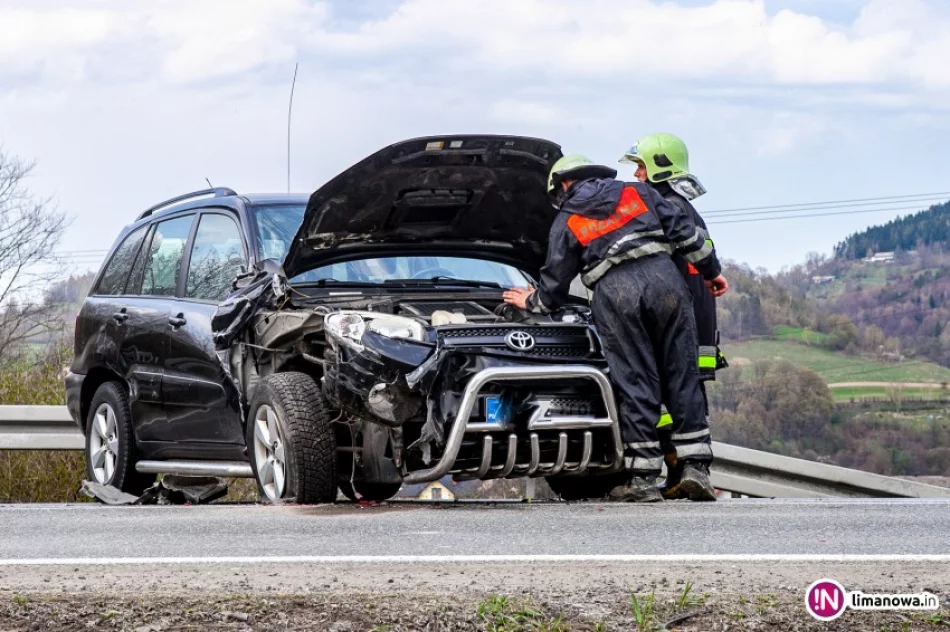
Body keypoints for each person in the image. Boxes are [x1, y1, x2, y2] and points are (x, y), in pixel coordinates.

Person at [503, 154, 728, 502]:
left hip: (615, 294)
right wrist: (712, 272)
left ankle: (643, 479)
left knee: (636, 381)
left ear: (563, 184)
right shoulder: (638, 192)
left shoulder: (567, 219)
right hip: (665, 282)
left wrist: (529, 302)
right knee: (682, 374)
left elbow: (553, 289)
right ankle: (696, 469)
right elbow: (686, 233)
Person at [619, 133, 727, 499]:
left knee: (670, 396)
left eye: (640, 166)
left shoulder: (662, 208)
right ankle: (682, 473)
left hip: (674, 321)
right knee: (680, 396)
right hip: (692, 319)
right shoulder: (682, 207)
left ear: (659, 166)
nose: (636, 175)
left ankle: (681, 470)